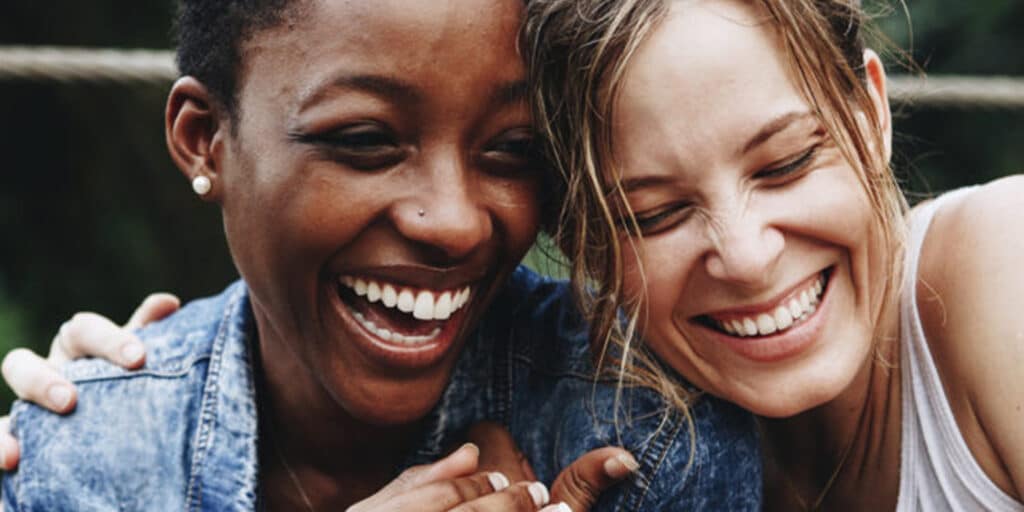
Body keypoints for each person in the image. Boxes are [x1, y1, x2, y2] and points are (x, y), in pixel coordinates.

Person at [0, 0, 761, 510]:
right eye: (365, 142)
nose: (454, 223)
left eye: (512, 149)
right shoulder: (82, 459)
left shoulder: (646, 431)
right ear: (206, 139)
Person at [522, 0, 1024, 509]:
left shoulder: (1004, 257)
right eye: (654, 214)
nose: (747, 259)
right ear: (581, 244)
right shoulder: (610, 449)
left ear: (871, 114)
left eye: (787, 163)